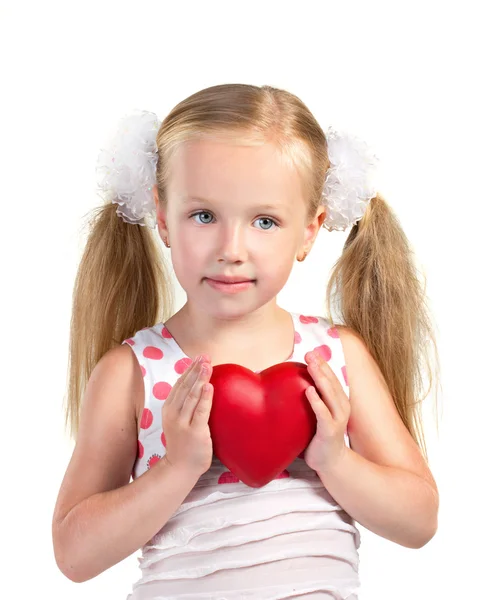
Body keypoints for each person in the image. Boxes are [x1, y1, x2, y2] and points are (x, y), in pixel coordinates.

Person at [52, 83, 440, 599]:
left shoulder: (336, 358)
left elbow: (419, 521)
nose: (231, 249)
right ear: (164, 218)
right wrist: (178, 468)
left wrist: (334, 460)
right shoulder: (134, 371)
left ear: (309, 230)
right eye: (204, 216)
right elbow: (75, 556)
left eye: (264, 221)